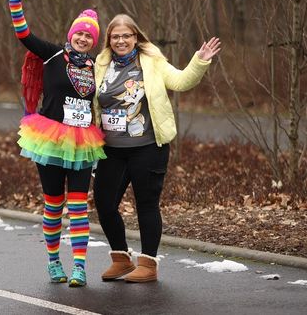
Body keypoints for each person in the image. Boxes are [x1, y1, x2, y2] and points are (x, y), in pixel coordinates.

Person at [93, 14, 221, 283]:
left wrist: (200, 60)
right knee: (105, 204)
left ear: (136, 37)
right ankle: (121, 258)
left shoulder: (152, 61)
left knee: (146, 205)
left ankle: (148, 264)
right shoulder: (101, 63)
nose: (121, 41)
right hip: (111, 149)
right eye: (115, 36)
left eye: (126, 36)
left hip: (148, 146)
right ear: (109, 40)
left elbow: (181, 82)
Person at [8, 0, 106, 287]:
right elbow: (23, 34)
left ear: (94, 42)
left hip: (82, 142)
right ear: (71, 34)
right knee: (53, 204)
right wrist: (15, 1)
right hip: (50, 139)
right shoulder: (52, 54)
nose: (84, 39)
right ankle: (53, 263)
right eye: (80, 34)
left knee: (78, 205)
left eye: (89, 37)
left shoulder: (95, 66)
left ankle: (79, 266)